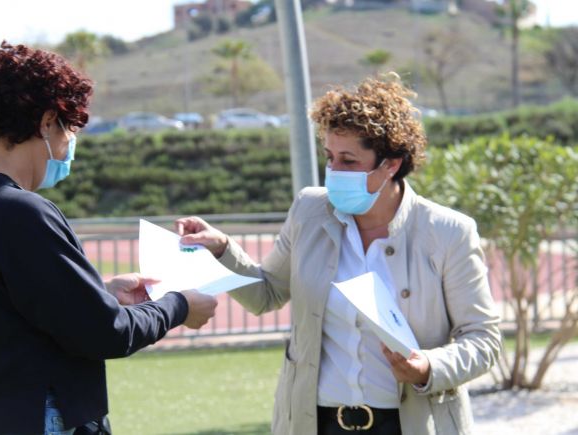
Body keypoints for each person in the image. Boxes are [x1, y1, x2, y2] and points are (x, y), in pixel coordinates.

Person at [176, 74, 501, 435]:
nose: (333, 172)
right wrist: (221, 249)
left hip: (410, 424)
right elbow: (266, 294)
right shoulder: (308, 210)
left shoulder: (449, 231)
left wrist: (428, 367)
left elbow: (483, 338)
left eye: (348, 161)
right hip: (318, 423)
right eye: (330, 158)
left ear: (391, 164)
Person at [0, 42, 217, 435]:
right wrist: (178, 306)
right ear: (48, 122)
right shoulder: (19, 210)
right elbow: (106, 333)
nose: (71, 143)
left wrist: (96, 291)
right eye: (71, 128)